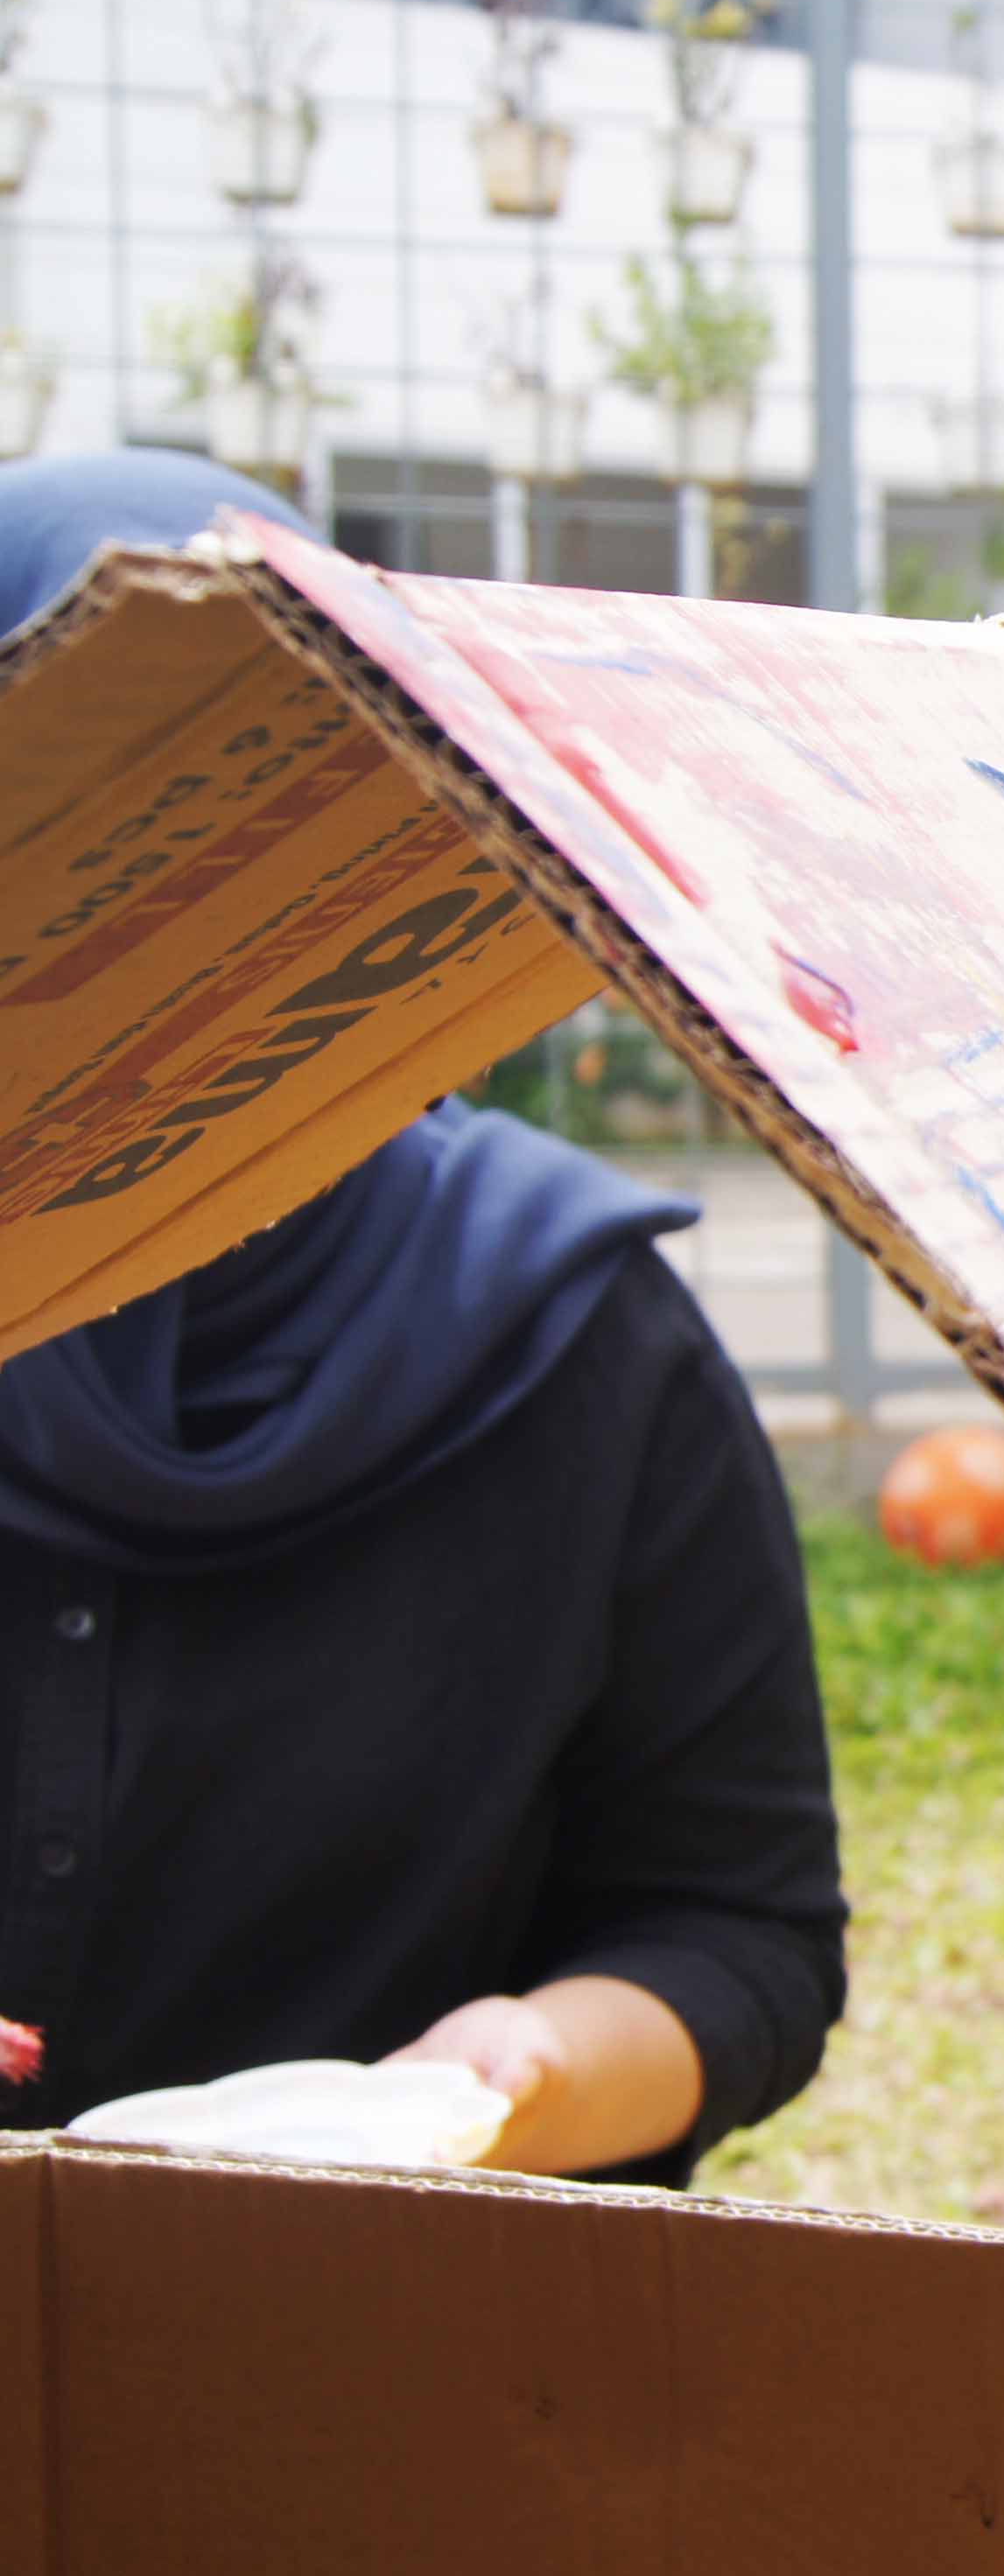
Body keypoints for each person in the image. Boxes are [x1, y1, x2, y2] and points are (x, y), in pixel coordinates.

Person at [0, 451, 849, 2181]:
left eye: (249, 863)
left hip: (392, 2340)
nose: (176, 962)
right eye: (88, 875)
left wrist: (527, 2074)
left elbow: (741, 1936)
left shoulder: (579, 1344)